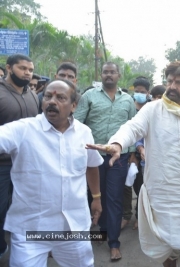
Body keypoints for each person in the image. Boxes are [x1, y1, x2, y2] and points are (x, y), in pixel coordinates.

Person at [87, 61, 180, 267]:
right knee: (165, 248)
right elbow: (132, 128)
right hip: (162, 193)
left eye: (178, 82)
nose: (172, 86)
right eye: (169, 81)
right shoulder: (152, 109)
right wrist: (117, 143)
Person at [0, 79, 103, 266]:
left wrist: (96, 197)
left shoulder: (84, 132)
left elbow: (92, 165)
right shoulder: (23, 129)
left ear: (73, 105)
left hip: (73, 227)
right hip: (30, 228)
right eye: (48, 96)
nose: (52, 101)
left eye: (60, 97)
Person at [74, 62, 136, 261]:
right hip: (93, 156)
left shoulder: (128, 100)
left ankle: (114, 243)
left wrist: (133, 153)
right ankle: (100, 230)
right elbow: (77, 123)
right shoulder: (89, 96)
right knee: (94, 196)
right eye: (105, 72)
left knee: (115, 197)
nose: (109, 75)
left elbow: (133, 128)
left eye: (112, 72)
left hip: (120, 157)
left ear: (119, 75)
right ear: (101, 74)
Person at [0, 54, 39, 260]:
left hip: (27, 164)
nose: (27, 73)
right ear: (8, 68)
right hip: (2, 164)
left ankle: (25, 250)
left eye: (30, 70)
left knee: (26, 209)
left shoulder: (32, 95)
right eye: (22, 68)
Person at [121, 76, 150, 230]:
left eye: (142, 92)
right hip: (127, 152)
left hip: (145, 154)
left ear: (148, 92)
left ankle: (140, 216)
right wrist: (131, 152)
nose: (139, 94)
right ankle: (126, 215)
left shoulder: (151, 109)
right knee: (126, 186)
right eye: (137, 91)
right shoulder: (128, 107)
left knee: (141, 187)